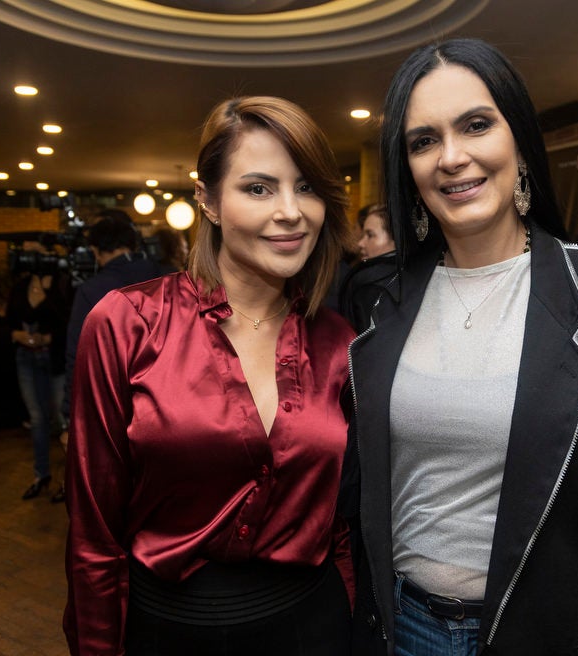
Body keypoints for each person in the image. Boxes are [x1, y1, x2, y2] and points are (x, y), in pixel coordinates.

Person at [340, 38, 578, 656]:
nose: (451, 157)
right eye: (424, 141)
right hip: (404, 630)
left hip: (556, 632)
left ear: (520, 142)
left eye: (476, 125)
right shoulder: (375, 294)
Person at [64, 95, 356, 655]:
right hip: (167, 630)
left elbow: (339, 522)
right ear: (209, 201)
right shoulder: (128, 324)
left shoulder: (341, 342)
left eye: (308, 187)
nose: (291, 211)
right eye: (259, 188)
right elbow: (93, 533)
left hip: (311, 627)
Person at [51, 210, 164, 503]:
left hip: (117, 399)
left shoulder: (92, 289)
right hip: (169, 397)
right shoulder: (169, 276)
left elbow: (77, 356)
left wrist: (68, 419)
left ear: (97, 251)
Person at [6, 255, 68, 500]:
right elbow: (9, 319)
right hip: (26, 358)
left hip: (53, 359)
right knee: (37, 418)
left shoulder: (62, 284)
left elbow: (68, 323)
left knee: (63, 420)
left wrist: (49, 338)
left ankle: (68, 481)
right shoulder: (20, 286)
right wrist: (16, 334)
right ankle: (41, 475)